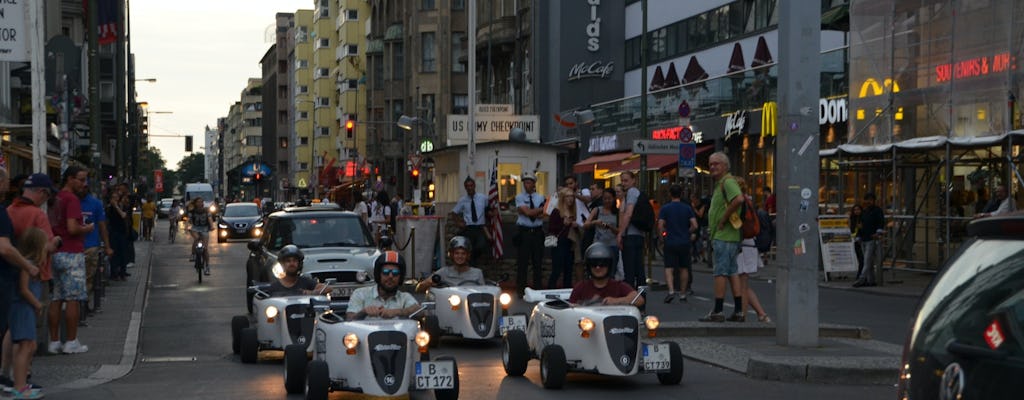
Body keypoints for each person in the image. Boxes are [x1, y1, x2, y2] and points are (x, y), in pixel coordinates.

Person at [0, 167, 39, 395]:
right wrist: (27, 265)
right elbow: (4, 247)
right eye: (5, 180)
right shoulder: (2, 212)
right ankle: (18, 385)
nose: (8, 184)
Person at [47, 166, 95, 354]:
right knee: (73, 298)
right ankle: (71, 341)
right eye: (81, 180)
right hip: (71, 252)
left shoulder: (55, 198)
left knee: (57, 298)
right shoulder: (72, 199)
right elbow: (73, 228)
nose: (85, 184)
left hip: (55, 250)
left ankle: (54, 341)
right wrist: (87, 228)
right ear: (69, 179)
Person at [700, 152, 744, 322]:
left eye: (717, 163)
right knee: (732, 271)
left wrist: (723, 219)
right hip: (728, 236)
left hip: (724, 235)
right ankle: (739, 311)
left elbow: (738, 199)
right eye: (711, 164)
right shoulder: (722, 183)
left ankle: (718, 311)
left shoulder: (728, 182)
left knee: (720, 272)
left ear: (725, 166)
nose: (712, 167)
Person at [732, 179, 770, 323]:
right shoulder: (748, 201)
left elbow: (736, 224)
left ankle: (742, 316)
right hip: (749, 244)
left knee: (741, 284)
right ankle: (761, 314)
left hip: (743, 245)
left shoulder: (739, 202)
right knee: (744, 284)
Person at [347, 251, 420, 320]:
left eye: (395, 273)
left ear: (400, 277)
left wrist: (396, 312)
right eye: (386, 272)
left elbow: (419, 311)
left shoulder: (405, 297)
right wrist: (364, 312)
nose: (390, 276)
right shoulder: (360, 293)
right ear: (378, 275)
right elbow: (349, 319)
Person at [569, 243, 644, 306]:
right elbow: (570, 308)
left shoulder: (618, 286)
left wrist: (616, 301)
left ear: (609, 265)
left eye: (603, 264)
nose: (598, 267)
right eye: (593, 264)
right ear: (588, 266)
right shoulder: (581, 287)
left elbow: (639, 300)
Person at [658, 184, 697, 303]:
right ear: (681, 194)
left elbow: (660, 225)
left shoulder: (665, 208)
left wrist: (661, 237)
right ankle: (683, 293)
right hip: (684, 241)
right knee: (684, 267)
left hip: (670, 241)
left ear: (670, 194)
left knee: (669, 267)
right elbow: (695, 225)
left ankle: (671, 291)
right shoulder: (687, 208)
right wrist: (687, 232)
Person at [78, 183, 111, 321]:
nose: (82, 188)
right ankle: (79, 306)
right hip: (74, 247)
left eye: (85, 186)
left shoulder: (95, 203)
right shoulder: (70, 201)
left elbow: (102, 226)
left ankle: (84, 304)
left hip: (91, 246)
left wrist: (107, 246)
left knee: (89, 278)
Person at [514, 172, 546, 295]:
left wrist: (534, 211)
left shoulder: (540, 197)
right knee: (522, 262)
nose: (526, 185)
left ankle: (537, 290)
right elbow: (528, 213)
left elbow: (543, 214)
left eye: (529, 182)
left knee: (537, 262)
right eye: (525, 182)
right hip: (524, 232)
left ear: (534, 184)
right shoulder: (519, 197)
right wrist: (537, 210)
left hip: (537, 232)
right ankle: (521, 290)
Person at [416, 236, 485, 293]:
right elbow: (419, 289)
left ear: (468, 255)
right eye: (457, 253)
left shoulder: (477, 273)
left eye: (463, 253)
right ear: (451, 255)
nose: (460, 256)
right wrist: (428, 283)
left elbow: (484, 293)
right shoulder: (444, 272)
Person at [616, 171, 646, 289]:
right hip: (637, 235)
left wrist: (620, 234)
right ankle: (639, 297)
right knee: (637, 269)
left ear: (634, 180)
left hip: (631, 236)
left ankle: (633, 298)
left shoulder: (632, 192)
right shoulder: (630, 193)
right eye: (622, 181)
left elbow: (628, 214)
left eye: (626, 180)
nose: (623, 183)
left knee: (630, 270)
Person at [449, 177, 490, 265]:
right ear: (465, 188)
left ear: (474, 186)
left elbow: (488, 208)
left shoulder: (483, 198)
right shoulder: (462, 200)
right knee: (468, 248)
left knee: (481, 246)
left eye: (471, 185)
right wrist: (459, 222)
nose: (469, 188)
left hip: (479, 228)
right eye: (467, 186)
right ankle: (472, 266)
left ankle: (473, 261)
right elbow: (454, 213)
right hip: (468, 228)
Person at [548, 188, 580, 290]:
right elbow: (551, 228)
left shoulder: (573, 212)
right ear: (563, 198)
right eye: (568, 196)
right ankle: (551, 289)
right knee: (557, 269)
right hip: (559, 243)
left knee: (568, 269)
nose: (570, 199)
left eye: (572, 196)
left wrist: (575, 226)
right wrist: (563, 223)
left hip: (570, 242)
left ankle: (567, 291)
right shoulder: (557, 211)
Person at [583, 189, 619, 279]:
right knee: (597, 271)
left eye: (609, 198)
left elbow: (619, 230)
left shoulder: (617, 212)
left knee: (611, 272)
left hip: (612, 245)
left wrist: (610, 227)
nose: (607, 201)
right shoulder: (597, 210)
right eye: (605, 198)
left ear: (614, 199)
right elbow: (586, 224)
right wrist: (595, 222)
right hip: (598, 245)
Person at [853, 192, 885, 287]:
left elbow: (881, 222)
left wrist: (878, 232)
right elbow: (860, 225)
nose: (868, 201)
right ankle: (871, 280)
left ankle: (861, 279)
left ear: (874, 200)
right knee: (868, 261)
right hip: (864, 239)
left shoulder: (877, 210)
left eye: (870, 199)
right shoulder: (865, 211)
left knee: (867, 260)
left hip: (871, 238)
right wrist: (858, 236)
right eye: (867, 199)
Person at [107, 191, 131, 281]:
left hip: (122, 233)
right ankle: (114, 273)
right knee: (114, 254)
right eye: (113, 197)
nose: (115, 199)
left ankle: (122, 273)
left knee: (123, 253)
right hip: (113, 233)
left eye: (116, 197)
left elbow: (123, 215)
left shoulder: (122, 206)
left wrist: (116, 206)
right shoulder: (109, 208)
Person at [187, 197, 214, 274]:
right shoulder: (192, 211)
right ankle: (193, 254)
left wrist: (212, 226)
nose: (200, 203)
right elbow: (188, 220)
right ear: (195, 203)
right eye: (198, 202)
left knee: (205, 249)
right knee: (197, 238)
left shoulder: (206, 210)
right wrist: (186, 227)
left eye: (201, 202)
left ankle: (207, 266)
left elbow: (210, 218)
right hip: (195, 228)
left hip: (205, 229)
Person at [849, 204, 864, 279]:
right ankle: (860, 274)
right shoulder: (853, 219)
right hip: (855, 240)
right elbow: (852, 230)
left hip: (862, 240)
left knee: (862, 258)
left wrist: (862, 228)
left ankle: (860, 274)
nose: (856, 211)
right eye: (855, 210)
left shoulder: (863, 218)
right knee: (859, 258)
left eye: (858, 209)